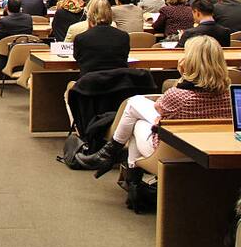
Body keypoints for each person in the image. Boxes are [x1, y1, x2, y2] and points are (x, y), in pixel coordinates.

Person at [77, 36, 231, 179]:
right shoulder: (228, 95)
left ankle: (116, 162)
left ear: (190, 61)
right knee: (135, 110)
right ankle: (129, 180)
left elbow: (159, 107)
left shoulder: (178, 96)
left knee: (135, 116)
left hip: (170, 152)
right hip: (209, 148)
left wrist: (182, 77)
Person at [72, 0, 129, 76]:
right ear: (110, 13)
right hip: (118, 84)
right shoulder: (124, 36)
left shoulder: (81, 38)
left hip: (89, 85)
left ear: (89, 13)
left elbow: (77, 58)